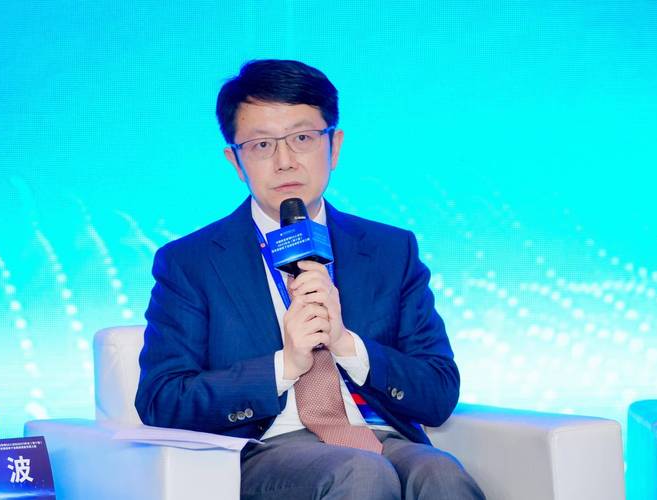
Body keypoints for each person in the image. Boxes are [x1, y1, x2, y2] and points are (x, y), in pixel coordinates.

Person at [135, 59, 485, 499]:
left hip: (376, 436)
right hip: (263, 450)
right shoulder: (191, 262)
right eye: (262, 145)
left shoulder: (391, 250)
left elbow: (438, 392)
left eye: (302, 138)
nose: (284, 162)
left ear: (334, 146)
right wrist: (286, 365)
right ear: (236, 161)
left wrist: (347, 346)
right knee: (361, 473)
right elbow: (161, 399)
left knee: (440, 473)